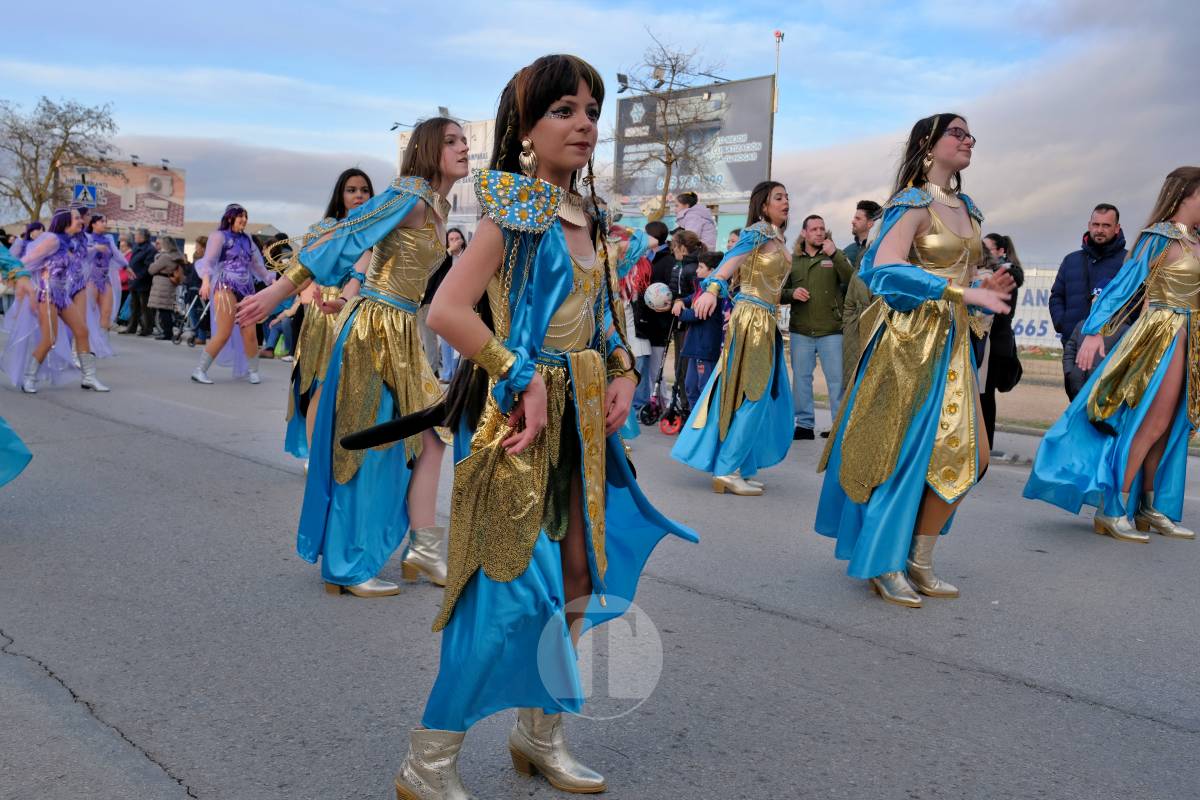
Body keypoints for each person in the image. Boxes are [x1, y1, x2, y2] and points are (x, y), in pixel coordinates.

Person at [383, 54, 697, 800]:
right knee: (502, 595)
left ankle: (538, 732)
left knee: (585, 578)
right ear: (524, 130)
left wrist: (621, 370)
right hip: (518, 425)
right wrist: (521, 377)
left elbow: (599, 322)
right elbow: (448, 312)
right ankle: (429, 761)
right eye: (563, 109)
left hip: (582, 421)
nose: (584, 121)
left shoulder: (593, 219)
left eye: (591, 108)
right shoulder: (515, 210)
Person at [238, 117, 466, 598]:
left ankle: (422, 550)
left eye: (465, 139)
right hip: (375, 332)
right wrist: (280, 289)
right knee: (369, 444)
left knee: (431, 437)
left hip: (403, 329)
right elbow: (346, 236)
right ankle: (346, 564)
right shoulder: (409, 194)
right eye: (452, 141)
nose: (464, 147)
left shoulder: (436, 206)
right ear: (427, 149)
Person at [815, 113, 1014, 607]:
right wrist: (958, 291)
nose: (969, 140)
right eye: (958, 132)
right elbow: (881, 269)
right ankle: (884, 561)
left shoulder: (968, 208)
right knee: (904, 455)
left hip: (952, 342)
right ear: (928, 144)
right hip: (907, 342)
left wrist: (982, 288)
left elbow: (966, 277)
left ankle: (919, 561)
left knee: (973, 455)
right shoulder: (911, 202)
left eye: (971, 134)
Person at [1024, 166, 1200, 543]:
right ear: (1186, 195)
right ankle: (1113, 508)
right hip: (1163, 335)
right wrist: (1094, 332)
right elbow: (1122, 288)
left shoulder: (1194, 241)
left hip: (1190, 337)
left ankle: (1148, 508)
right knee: (1149, 424)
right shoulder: (1159, 238)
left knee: (1170, 429)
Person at [671, 181, 795, 496]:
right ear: (763, 205)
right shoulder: (758, 232)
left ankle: (738, 464)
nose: (786, 201)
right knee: (752, 394)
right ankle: (727, 468)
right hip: (751, 319)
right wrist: (712, 290)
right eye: (778, 197)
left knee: (759, 394)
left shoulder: (778, 238)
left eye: (787, 197)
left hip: (765, 321)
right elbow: (728, 265)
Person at [280, 168, 374, 461]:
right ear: (340, 195)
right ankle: (314, 455)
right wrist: (280, 303)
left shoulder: (379, 231)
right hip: (324, 313)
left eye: (364, 190)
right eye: (351, 190)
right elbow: (304, 271)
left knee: (351, 392)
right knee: (318, 384)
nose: (358, 195)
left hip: (359, 313)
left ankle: (339, 454)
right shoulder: (325, 228)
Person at [2, 208, 113, 392]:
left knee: (82, 331)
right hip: (46, 295)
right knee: (49, 339)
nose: (81, 221)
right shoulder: (52, 240)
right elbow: (27, 260)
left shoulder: (71, 242)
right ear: (65, 221)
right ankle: (30, 378)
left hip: (62, 295)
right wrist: (18, 277)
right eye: (77, 218)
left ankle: (89, 378)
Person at [785, 214, 854, 439]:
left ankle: (838, 425)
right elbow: (778, 291)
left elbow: (852, 279)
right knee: (802, 378)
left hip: (831, 330)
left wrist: (835, 254)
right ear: (804, 233)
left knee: (836, 380)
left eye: (822, 228)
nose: (819, 232)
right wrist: (792, 293)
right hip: (801, 330)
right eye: (813, 229)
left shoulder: (835, 255)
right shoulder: (792, 260)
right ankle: (804, 425)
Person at [191, 205, 274, 384]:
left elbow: (257, 264)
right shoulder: (219, 236)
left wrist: (269, 279)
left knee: (250, 332)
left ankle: (253, 371)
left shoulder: (248, 239)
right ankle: (200, 370)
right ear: (230, 218)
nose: (244, 219)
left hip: (246, 288)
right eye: (240, 216)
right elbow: (209, 261)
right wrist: (205, 282)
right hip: (224, 286)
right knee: (224, 331)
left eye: (246, 216)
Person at [1048, 203, 1127, 343]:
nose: (1100, 230)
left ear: (1117, 228)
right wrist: (1063, 323)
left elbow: (1134, 303)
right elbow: (1056, 297)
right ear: (1089, 225)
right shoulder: (1071, 260)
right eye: (1096, 224)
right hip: (1072, 342)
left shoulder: (1128, 262)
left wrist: (1117, 332)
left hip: (1110, 346)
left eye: (1106, 225)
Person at [979, 233, 1025, 445]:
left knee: (986, 397)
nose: (983, 254)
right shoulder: (991, 273)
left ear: (1001, 251)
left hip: (994, 344)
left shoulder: (1005, 276)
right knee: (982, 396)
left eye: (987, 249)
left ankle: (985, 445)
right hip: (988, 341)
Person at [631, 219, 674, 410]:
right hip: (645, 320)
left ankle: (663, 404)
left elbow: (667, 290)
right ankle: (652, 401)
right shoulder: (646, 257)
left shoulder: (666, 260)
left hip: (659, 322)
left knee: (657, 367)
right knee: (647, 365)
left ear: (654, 238)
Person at [676, 249, 726, 408]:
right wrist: (679, 301)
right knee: (690, 387)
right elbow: (690, 298)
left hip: (705, 348)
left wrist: (680, 313)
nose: (696, 271)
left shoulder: (715, 293)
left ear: (712, 271)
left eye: (701, 267)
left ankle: (705, 425)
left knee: (704, 389)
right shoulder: (701, 287)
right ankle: (693, 422)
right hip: (694, 347)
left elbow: (698, 314)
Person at [841, 200, 883, 386]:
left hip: (876, 326)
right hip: (854, 329)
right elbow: (849, 295)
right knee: (852, 383)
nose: (852, 221)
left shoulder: (886, 255)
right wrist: (849, 322)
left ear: (871, 223)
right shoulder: (849, 252)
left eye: (858, 218)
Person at [666, 228, 704, 410]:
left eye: (674, 246)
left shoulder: (692, 269)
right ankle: (684, 404)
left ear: (682, 247)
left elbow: (695, 297)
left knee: (685, 368)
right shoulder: (679, 266)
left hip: (688, 325)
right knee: (681, 367)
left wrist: (680, 306)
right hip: (679, 323)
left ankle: (688, 407)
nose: (672, 250)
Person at [83, 213, 125, 340]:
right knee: (88, 311)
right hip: (91, 278)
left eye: (105, 221)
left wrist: (127, 266)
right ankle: (86, 341)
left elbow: (116, 254)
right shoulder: (86, 237)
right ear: (93, 224)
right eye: (102, 221)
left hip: (105, 278)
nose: (105, 224)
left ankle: (102, 342)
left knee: (107, 311)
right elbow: (83, 253)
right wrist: (95, 248)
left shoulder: (109, 238)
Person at [436, 227, 466, 381]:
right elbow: (435, 266)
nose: (455, 242)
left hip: (462, 303)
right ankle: (447, 374)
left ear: (463, 240)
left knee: (458, 340)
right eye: (451, 239)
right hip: (445, 302)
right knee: (445, 339)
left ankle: (457, 374)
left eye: (457, 238)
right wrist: (448, 251)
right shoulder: (445, 258)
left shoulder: (467, 257)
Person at [147, 237, 185, 341]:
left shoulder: (165, 257)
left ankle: (167, 333)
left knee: (163, 310)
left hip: (162, 285)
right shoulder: (177, 256)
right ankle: (167, 332)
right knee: (166, 309)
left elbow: (151, 270)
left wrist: (154, 261)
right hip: (170, 284)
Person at [121, 228, 156, 336]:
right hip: (134, 281)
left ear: (143, 237)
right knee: (134, 306)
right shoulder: (136, 247)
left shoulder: (150, 249)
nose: (135, 237)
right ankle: (132, 327)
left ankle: (147, 328)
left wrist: (137, 277)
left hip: (143, 282)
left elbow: (147, 267)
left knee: (144, 306)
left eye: (136, 235)